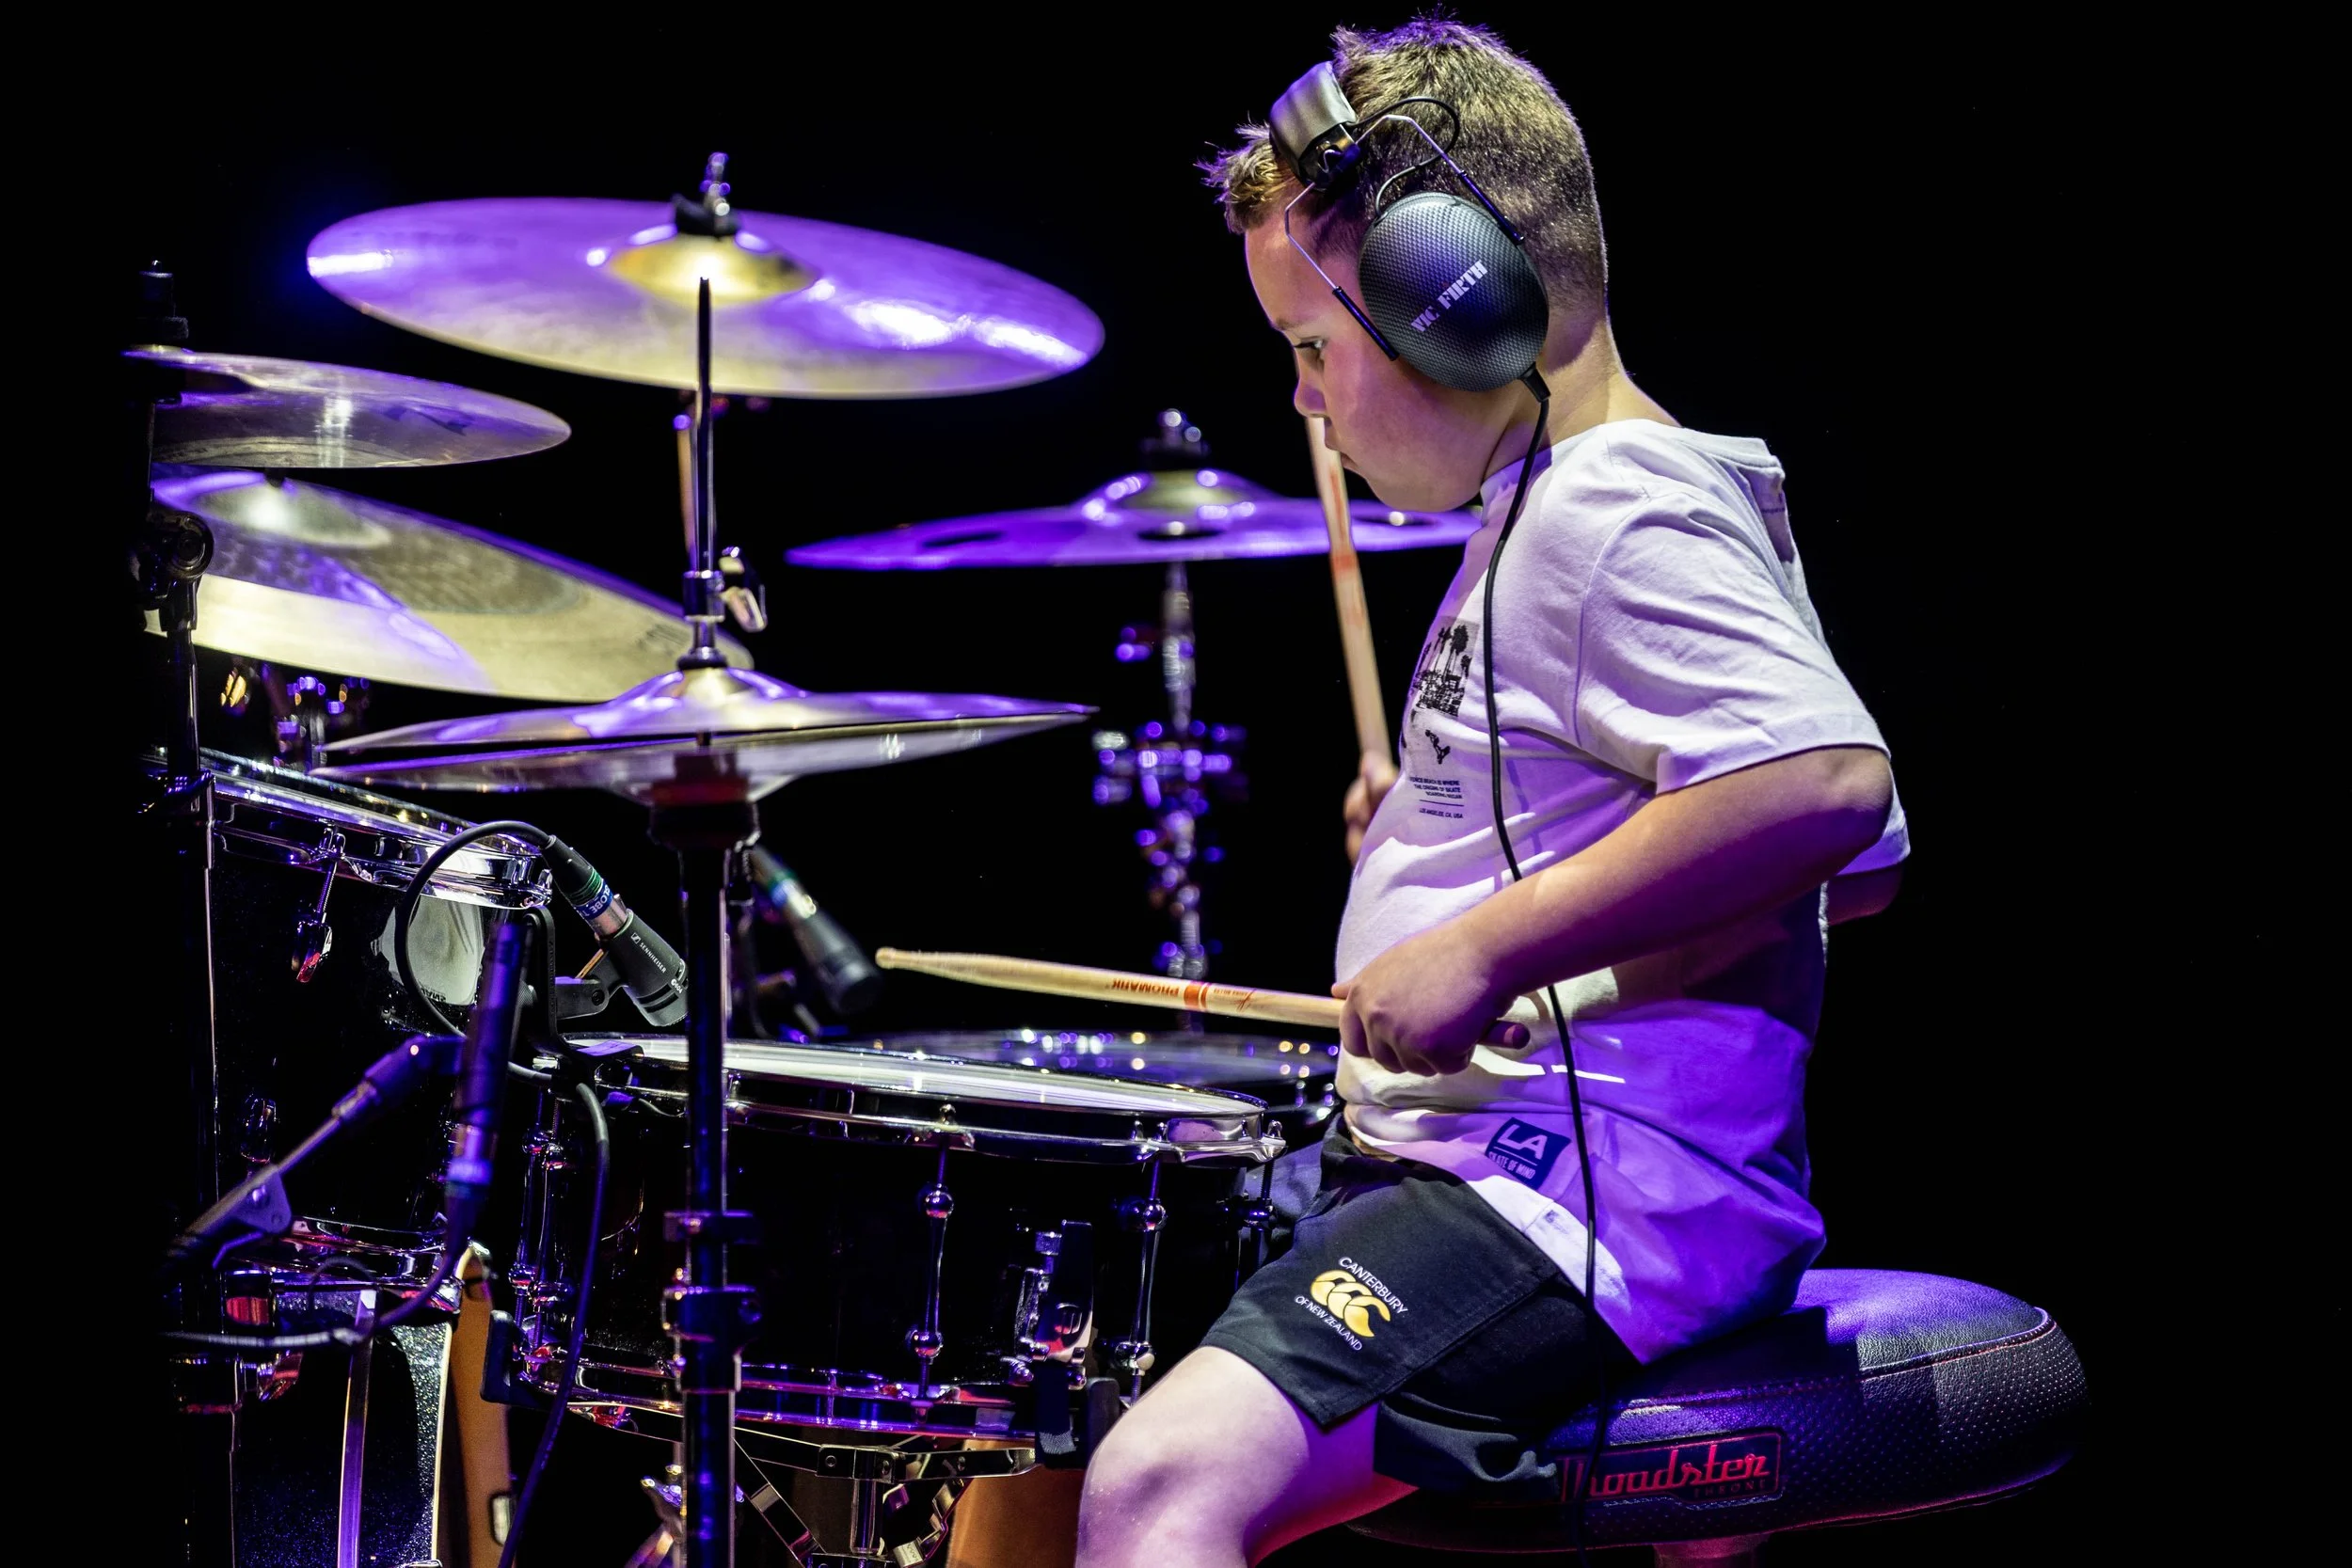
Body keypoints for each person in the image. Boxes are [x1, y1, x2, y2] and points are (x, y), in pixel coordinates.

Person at [1068, 17, 1908, 1568]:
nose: (1308, 404)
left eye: (1315, 348)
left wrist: (1485, 943)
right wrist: (1432, 838)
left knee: (1155, 1486)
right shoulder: (1596, 490)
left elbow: (1829, 789)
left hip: (1585, 1195)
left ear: (1455, 302)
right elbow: (1843, 873)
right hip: (1536, 1164)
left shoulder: (1613, 506)